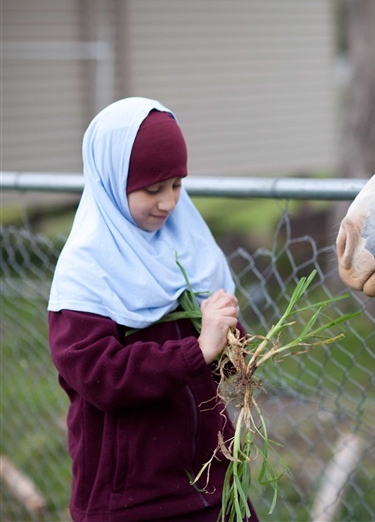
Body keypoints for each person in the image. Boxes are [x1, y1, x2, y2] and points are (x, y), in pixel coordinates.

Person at [48, 97, 257, 521]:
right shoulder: (87, 271)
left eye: (177, 184)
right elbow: (101, 377)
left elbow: (215, 356)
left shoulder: (189, 248)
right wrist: (196, 352)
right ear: (111, 180)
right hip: (131, 499)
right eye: (152, 189)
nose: (169, 202)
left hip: (211, 482)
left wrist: (237, 347)